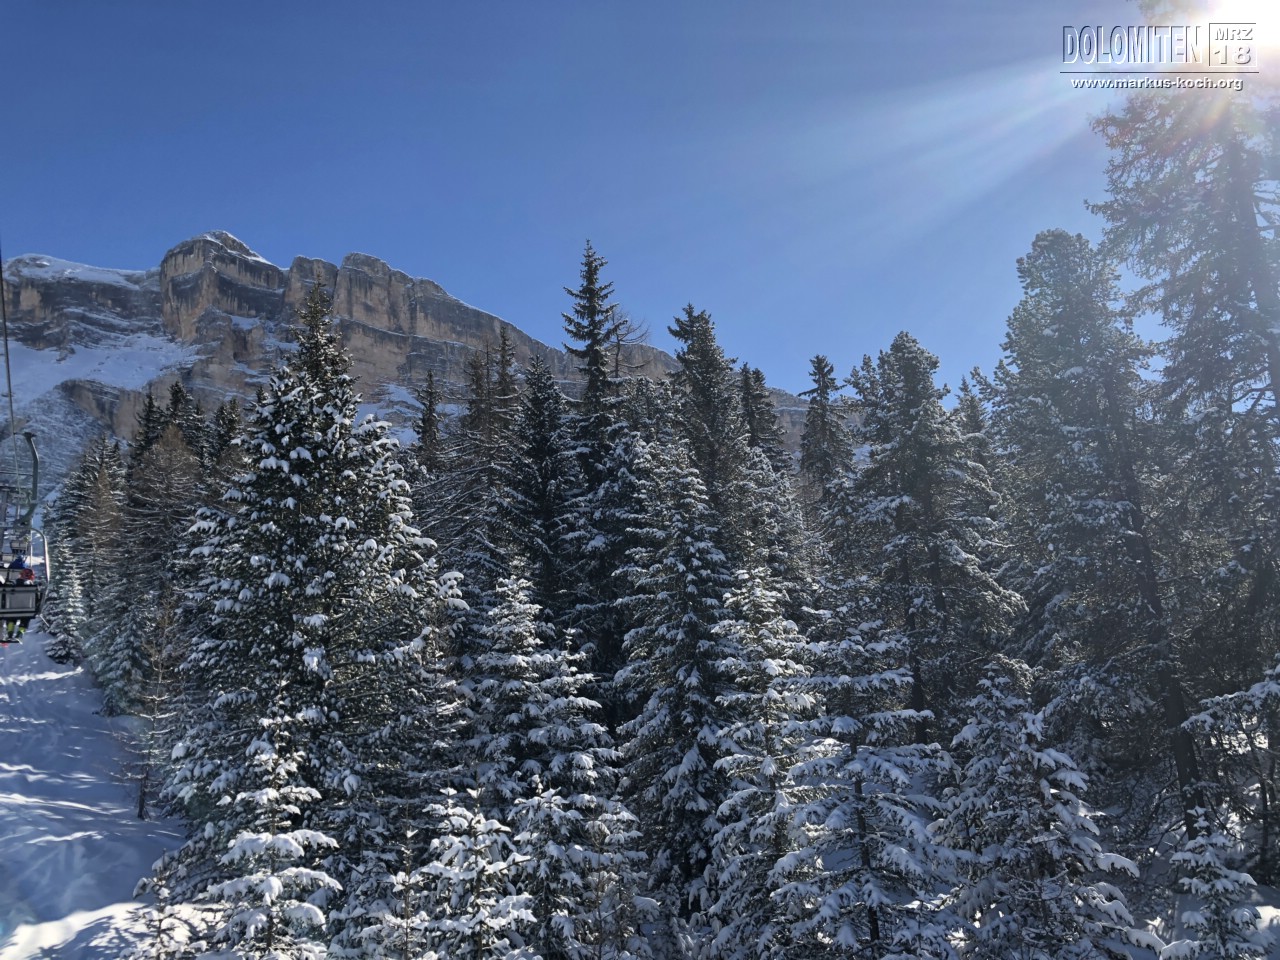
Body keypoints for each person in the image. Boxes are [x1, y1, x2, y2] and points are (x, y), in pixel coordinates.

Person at [3, 556, 36, 641]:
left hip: (11, 609)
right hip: (27, 609)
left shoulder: (13, 583)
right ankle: (20, 633)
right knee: (25, 618)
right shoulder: (32, 586)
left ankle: (10, 632)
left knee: (11, 617)